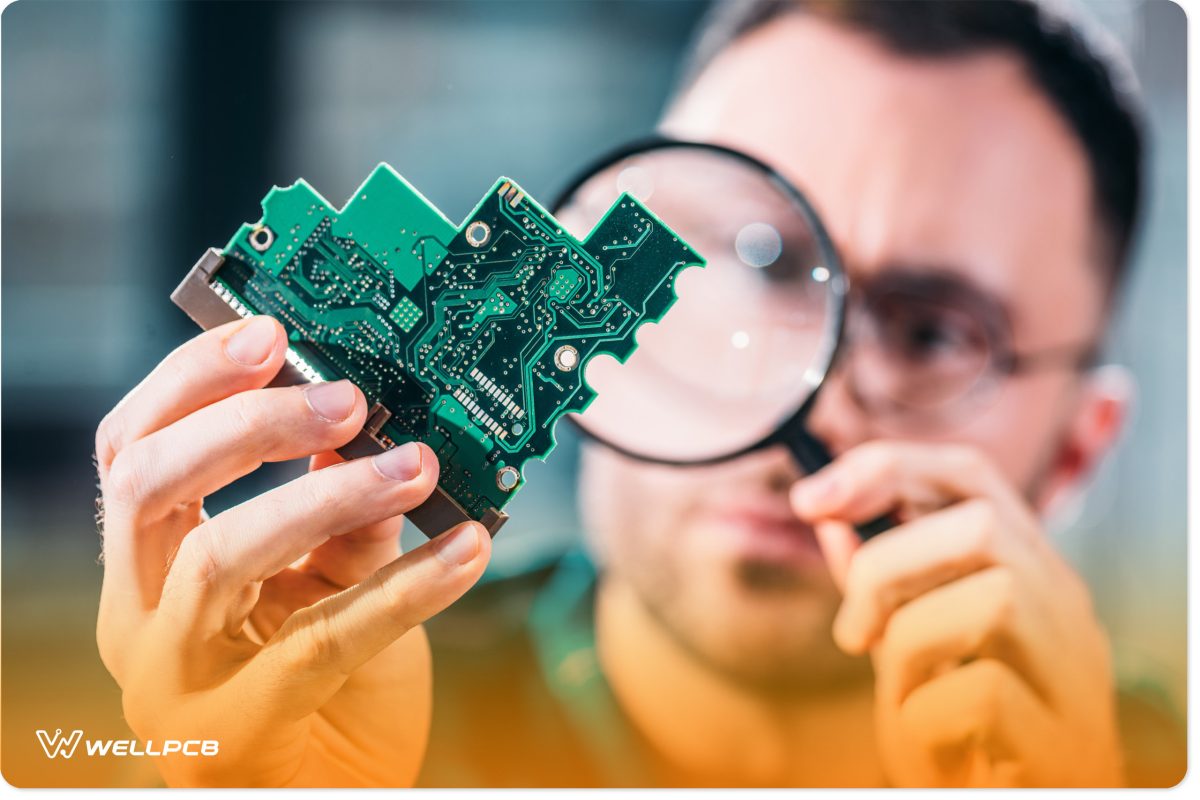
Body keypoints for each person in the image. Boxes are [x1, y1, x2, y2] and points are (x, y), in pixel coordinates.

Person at [93, 0, 1182, 788]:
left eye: (936, 330)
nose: (822, 397)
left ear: (1078, 452)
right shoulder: (321, 712)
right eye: (751, 261)